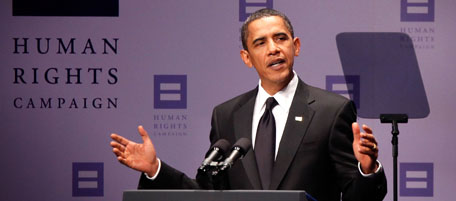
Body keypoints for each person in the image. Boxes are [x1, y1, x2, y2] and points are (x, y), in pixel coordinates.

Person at [110, 8, 387, 201]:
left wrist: (367, 169)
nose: (273, 49)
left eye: (281, 38)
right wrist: (155, 168)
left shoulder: (331, 110)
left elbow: (357, 197)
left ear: (296, 46)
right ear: (247, 57)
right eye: (260, 43)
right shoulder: (227, 114)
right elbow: (208, 191)